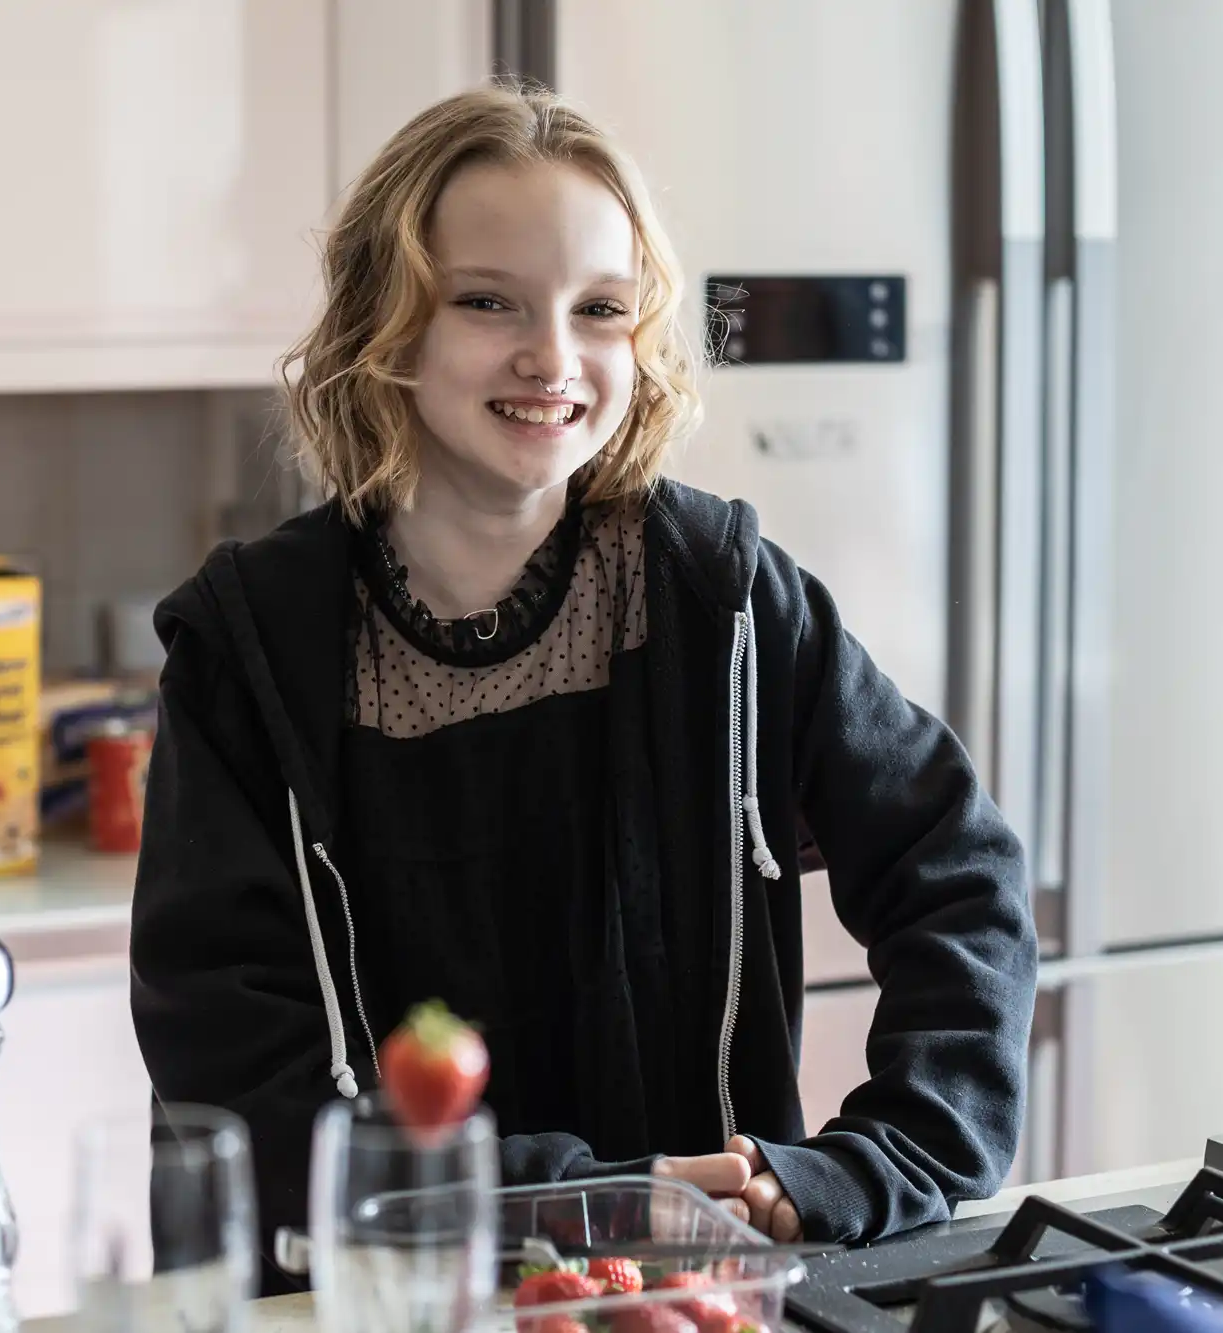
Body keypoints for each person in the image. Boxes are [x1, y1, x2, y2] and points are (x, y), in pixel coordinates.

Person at [130, 81, 1038, 1293]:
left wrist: (870, 1163)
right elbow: (236, 1090)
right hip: (383, 1301)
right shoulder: (250, 651)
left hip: (694, 1294)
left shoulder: (723, 599)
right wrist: (578, 1202)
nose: (551, 356)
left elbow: (959, 878)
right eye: (486, 300)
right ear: (385, 325)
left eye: (599, 309)